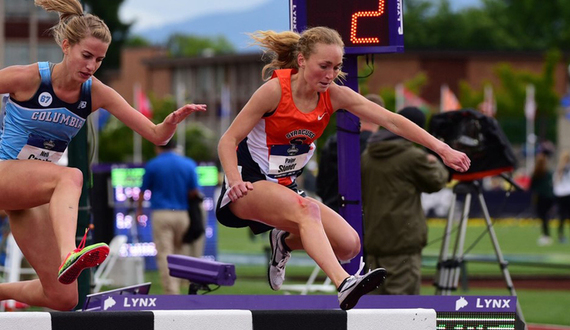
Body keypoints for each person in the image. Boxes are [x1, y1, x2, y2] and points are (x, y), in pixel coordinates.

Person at [215, 26, 470, 310]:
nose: (330, 75)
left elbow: (392, 121)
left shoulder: (334, 95)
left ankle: (284, 242)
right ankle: (344, 283)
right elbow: (228, 140)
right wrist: (235, 180)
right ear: (301, 60)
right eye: (323, 66)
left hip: (285, 188)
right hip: (248, 187)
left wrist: (442, 148)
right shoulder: (274, 91)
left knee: (350, 245)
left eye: (336, 67)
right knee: (308, 210)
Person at [0, 0, 206, 310]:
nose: (91, 66)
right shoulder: (29, 78)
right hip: (5, 173)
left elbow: (155, 135)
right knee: (71, 175)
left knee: (63, 297)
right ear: (66, 46)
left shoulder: (95, 92)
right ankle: (70, 254)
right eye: (86, 56)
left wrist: (169, 123)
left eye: (99, 59)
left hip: (31, 194)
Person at [361, 106, 449, 295]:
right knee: (404, 310)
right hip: (403, 241)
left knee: (372, 311)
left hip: (373, 240)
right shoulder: (411, 157)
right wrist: (437, 163)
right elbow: (436, 182)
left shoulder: (368, 155)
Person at [136, 140, 203, 294]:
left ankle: (172, 292)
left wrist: (139, 210)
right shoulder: (188, 164)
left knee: (165, 254)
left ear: (158, 146)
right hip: (182, 214)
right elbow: (194, 192)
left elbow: (142, 191)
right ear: (175, 147)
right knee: (180, 253)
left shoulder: (153, 164)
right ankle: (182, 287)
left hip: (162, 214)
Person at [316, 94, 384, 212]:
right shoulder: (380, 148)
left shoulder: (333, 142)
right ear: (380, 116)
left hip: (331, 209)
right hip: (364, 214)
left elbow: (320, 184)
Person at [530, 152, 555, 246]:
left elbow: (531, 186)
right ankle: (546, 235)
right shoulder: (548, 173)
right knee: (545, 217)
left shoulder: (537, 174)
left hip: (541, 198)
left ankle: (546, 235)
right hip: (549, 197)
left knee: (543, 217)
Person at [553, 150, 570, 244]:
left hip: (560, 194)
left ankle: (561, 236)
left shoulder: (559, 168)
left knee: (562, 216)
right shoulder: (561, 169)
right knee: (562, 216)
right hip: (565, 193)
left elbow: (555, 182)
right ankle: (561, 236)